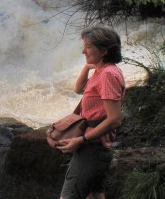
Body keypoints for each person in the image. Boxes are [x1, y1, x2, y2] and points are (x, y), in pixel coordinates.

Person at [57, 24, 125, 199]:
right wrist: (88, 68)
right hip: (96, 148)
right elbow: (78, 89)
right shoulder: (102, 71)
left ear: (104, 50)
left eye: (88, 47)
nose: (83, 52)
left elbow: (115, 119)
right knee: (95, 196)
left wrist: (81, 139)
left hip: (92, 149)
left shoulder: (107, 74)